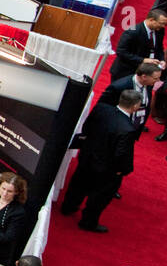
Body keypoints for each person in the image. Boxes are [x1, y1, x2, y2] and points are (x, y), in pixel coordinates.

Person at [59, 89, 141, 233]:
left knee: (78, 184)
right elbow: (121, 154)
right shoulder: (128, 129)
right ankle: (88, 222)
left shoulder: (101, 109)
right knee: (99, 198)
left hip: (87, 157)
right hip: (106, 170)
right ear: (135, 106)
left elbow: (87, 128)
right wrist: (122, 171)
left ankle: (68, 207)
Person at [109, 8, 167, 82]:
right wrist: (143, 60)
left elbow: (159, 48)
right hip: (126, 72)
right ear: (151, 20)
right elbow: (121, 52)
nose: (163, 26)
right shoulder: (132, 32)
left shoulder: (159, 30)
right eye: (161, 23)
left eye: (165, 24)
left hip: (146, 74)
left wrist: (162, 59)